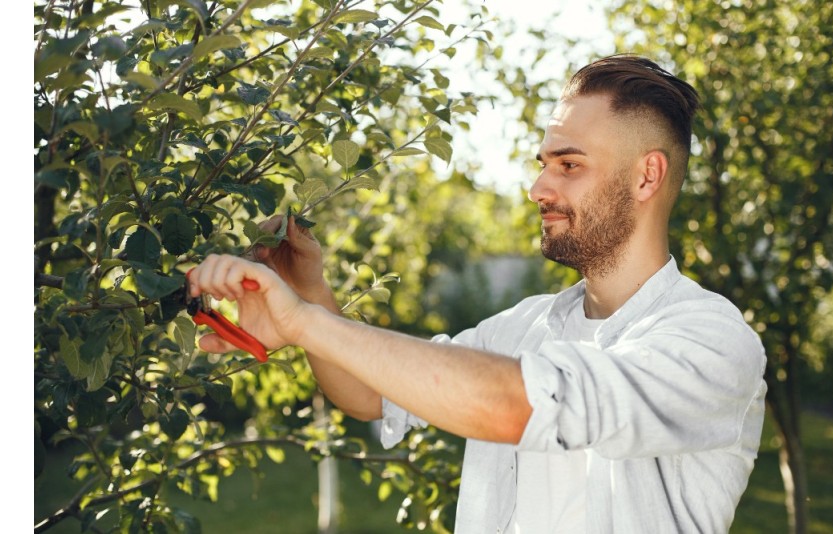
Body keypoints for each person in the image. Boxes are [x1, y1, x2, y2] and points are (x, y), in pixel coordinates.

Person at [187, 54, 768, 533]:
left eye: (569, 164)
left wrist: (304, 324)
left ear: (647, 176)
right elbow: (375, 395)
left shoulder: (711, 341)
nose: (538, 186)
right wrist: (309, 295)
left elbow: (518, 406)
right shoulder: (526, 325)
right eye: (544, 163)